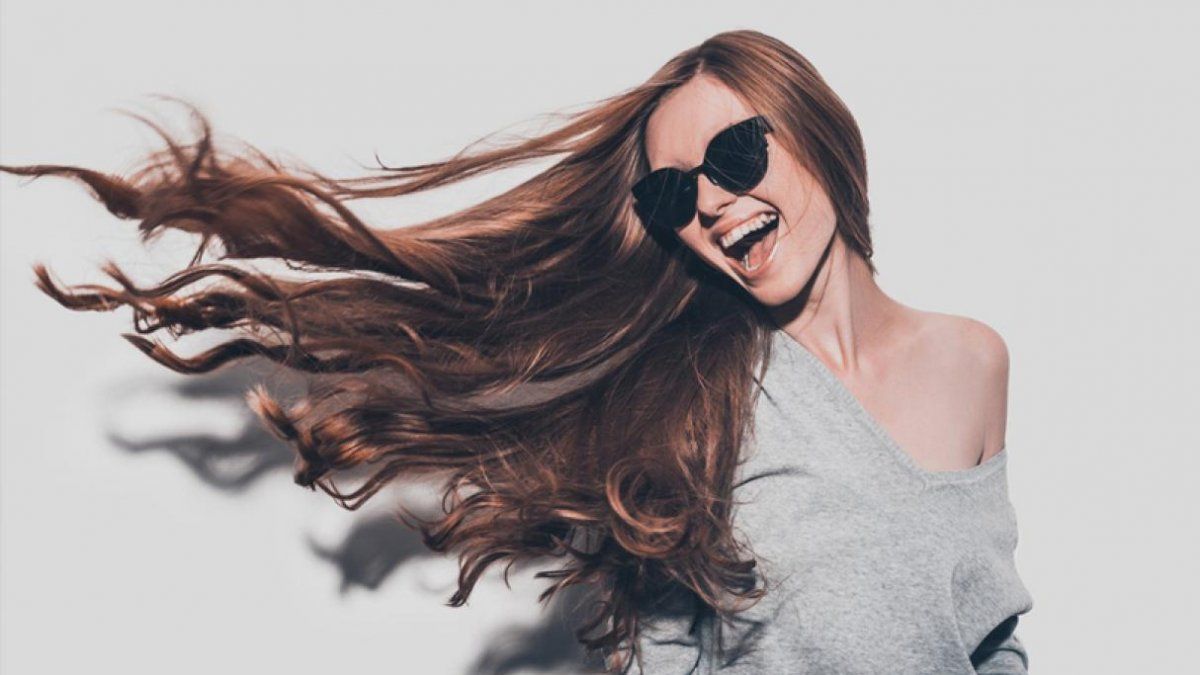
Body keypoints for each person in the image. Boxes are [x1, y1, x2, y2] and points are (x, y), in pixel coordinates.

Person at [0, 29, 1032, 674]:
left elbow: (985, 628)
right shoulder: (700, 391)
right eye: (675, 193)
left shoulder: (973, 361)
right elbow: (669, 649)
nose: (715, 202)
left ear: (815, 129)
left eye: (736, 152)